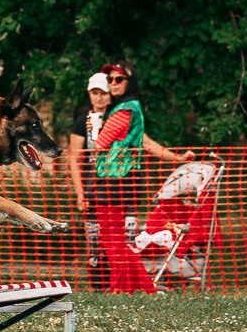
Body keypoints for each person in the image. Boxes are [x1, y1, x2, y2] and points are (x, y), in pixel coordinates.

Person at [90, 60, 195, 293]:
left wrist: (95, 126)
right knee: (114, 238)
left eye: (119, 79)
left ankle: (133, 288)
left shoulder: (124, 110)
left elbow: (100, 145)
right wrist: (177, 158)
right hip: (121, 180)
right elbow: (148, 144)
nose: (113, 84)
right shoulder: (133, 108)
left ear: (130, 82)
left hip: (113, 180)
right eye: (110, 80)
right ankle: (131, 288)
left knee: (111, 239)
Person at [69, 72, 112, 290]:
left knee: (118, 238)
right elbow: (74, 159)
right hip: (92, 188)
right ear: (89, 95)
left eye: (103, 93)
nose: (99, 98)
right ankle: (98, 286)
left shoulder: (119, 118)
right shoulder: (81, 122)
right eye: (95, 93)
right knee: (94, 239)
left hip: (117, 189)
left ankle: (119, 283)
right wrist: (80, 193)